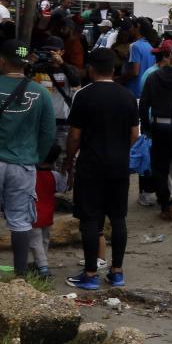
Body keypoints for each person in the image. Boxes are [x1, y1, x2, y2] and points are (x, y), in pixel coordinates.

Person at [0, 40, 55, 275]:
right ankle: (20, 277)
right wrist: (36, 157)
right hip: (23, 165)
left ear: (2, 62)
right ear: (26, 64)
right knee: (20, 220)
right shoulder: (41, 94)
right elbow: (48, 133)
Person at [64, 49, 140, 290]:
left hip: (91, 165)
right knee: (118, 218)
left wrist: (69, 158)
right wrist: (119, 150)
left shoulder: (84, 96)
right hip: (119, 165)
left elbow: (74, 135)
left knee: (90, 219)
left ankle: (90, 274)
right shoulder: (127, 96)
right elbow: (134, 134)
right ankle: (116, 271)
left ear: (90, 69)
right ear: (114, 70)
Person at [141, 45, 172, 222]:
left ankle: (164, 204)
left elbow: (144, 104)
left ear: (170, 56)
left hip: (158, 126)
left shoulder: (154, 76)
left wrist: (146, 128)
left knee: (159, 168)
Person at [31, 145, 68, 278]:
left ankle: (43, 267)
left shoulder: (31, 174)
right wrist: (65, 172)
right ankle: (41, 263)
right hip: (48, 212)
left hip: (33, 213)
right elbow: (63, 187)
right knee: (45, 239)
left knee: (35, 241)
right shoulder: (55, 175)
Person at [124, 20, 157, 97]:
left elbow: (135, 72)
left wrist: (121, 79)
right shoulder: (150, 46)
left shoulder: (134, 46)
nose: (130, 29)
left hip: (134, 89)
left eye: (132, 27)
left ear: (138, 27)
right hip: (146, 89)